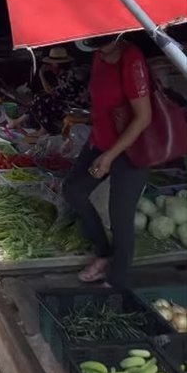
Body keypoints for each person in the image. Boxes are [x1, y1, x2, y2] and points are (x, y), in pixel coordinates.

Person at [63, 35, 152, 288]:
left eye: (103, 41)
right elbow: (101, 106)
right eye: (94, 42)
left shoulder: (131, 59)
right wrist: (84, 136)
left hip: (131, 149)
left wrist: (110, 156)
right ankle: (104, 253)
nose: (100, 47)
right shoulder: (98, 57)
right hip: (99, 143)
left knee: (120, 217)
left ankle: (116, 283)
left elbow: (143, 117)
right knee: (74, 191)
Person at [8, 47, 88, 136]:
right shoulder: (62, 74)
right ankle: (17, 122)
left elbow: (51, 92)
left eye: (51, 63)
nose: (49, 65)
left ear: (57, 65)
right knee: (39, 97)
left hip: (74, 107)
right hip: (65, 103)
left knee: (41, 98)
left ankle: (44, 129)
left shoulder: (69, 75)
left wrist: (41, 74)